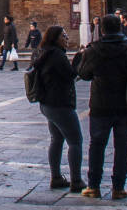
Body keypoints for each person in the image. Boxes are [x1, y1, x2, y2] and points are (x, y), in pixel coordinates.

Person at [76, 14, 127, 200]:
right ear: (120, 27)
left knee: (96, 145)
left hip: (100, 105)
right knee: (123, 146)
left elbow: (84, 74)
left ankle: (93, 187)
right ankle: (118, 188)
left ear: (102, 29)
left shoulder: (93, 49)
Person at [37, 26, 86, 193]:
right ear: (55, 38)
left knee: (56, 139)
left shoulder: (43, 52)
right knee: (75, 141)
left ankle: (56, 177)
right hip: (60, 103)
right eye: (63, 36)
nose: (66, 38)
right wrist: (80, 57)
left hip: (47, 103)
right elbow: (71, 75)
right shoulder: (57, 55)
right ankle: (76, 180)